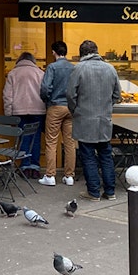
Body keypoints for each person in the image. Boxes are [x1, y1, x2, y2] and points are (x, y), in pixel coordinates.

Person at [66, 39, 122, 201]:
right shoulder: (110, 69)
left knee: (88, 156)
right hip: (104, 120)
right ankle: (110, 192)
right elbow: (117, 94)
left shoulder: (79, 69)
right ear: (97, 51)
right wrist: (106, 107)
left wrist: (75, 109)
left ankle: (94, 192)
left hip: (84, 119)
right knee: (106, 155)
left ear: (82, 53)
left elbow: (70, 94)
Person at [2, 51, 46, 180]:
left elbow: (7, 96)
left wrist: (9, 114)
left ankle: (25, 167)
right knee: (36, 138)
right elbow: (45, 92)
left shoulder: (13, 74)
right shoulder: (40, 73)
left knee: (24, 138)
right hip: (38, 111)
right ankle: (35, 168)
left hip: (19, 111)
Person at [39, 41, 76, 186]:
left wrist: (47, 100)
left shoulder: (52, 67)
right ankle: (69, 176)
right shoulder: (73, 68)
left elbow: (45, 88)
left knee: (51, 141)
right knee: (70, 143)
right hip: (70, 108)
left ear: (53, 52)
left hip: (55, 106)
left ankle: (50, 175)